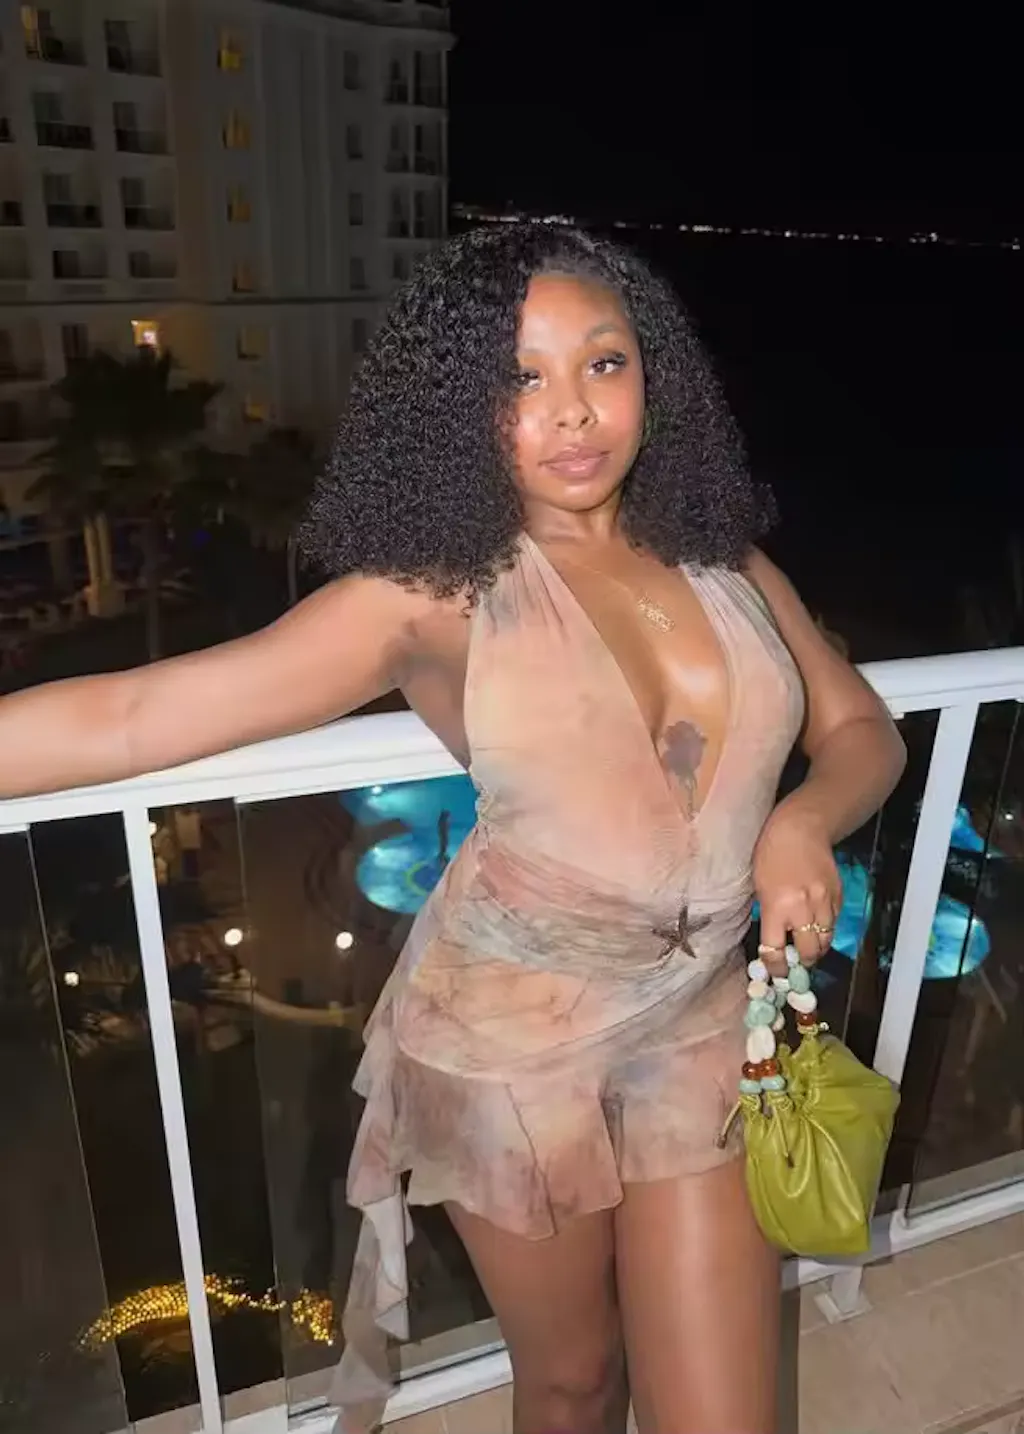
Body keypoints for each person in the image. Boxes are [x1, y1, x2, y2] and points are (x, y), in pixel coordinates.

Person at [0, 224, 905, 1434]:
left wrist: (802, 821)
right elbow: (131, 715)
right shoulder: (432, 594)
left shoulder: (724, 555)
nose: (572, 411)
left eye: (603, 363)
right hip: (508, 1047)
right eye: (519, 378)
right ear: (459, 407)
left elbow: (861, 729)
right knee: (573, 1384)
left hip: (700, 1019)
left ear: (655, 373)